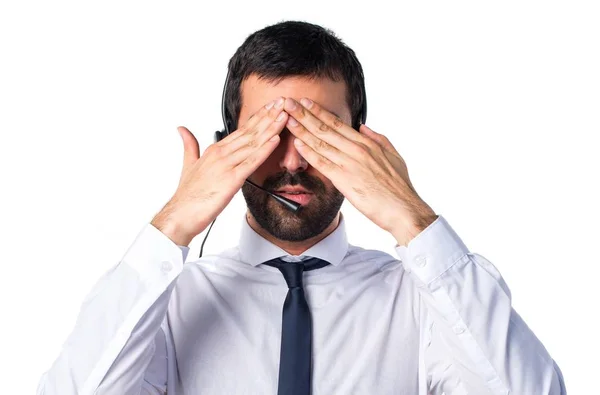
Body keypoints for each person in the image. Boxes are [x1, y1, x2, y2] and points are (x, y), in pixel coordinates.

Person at [37, 20, 566, 395]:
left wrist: (414, 219)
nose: (293, 160)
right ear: (229, 144)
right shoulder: (165, 305)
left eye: (320, 132)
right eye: (269, 132)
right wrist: (172, 225)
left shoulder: (428, 301)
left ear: (362, 146)